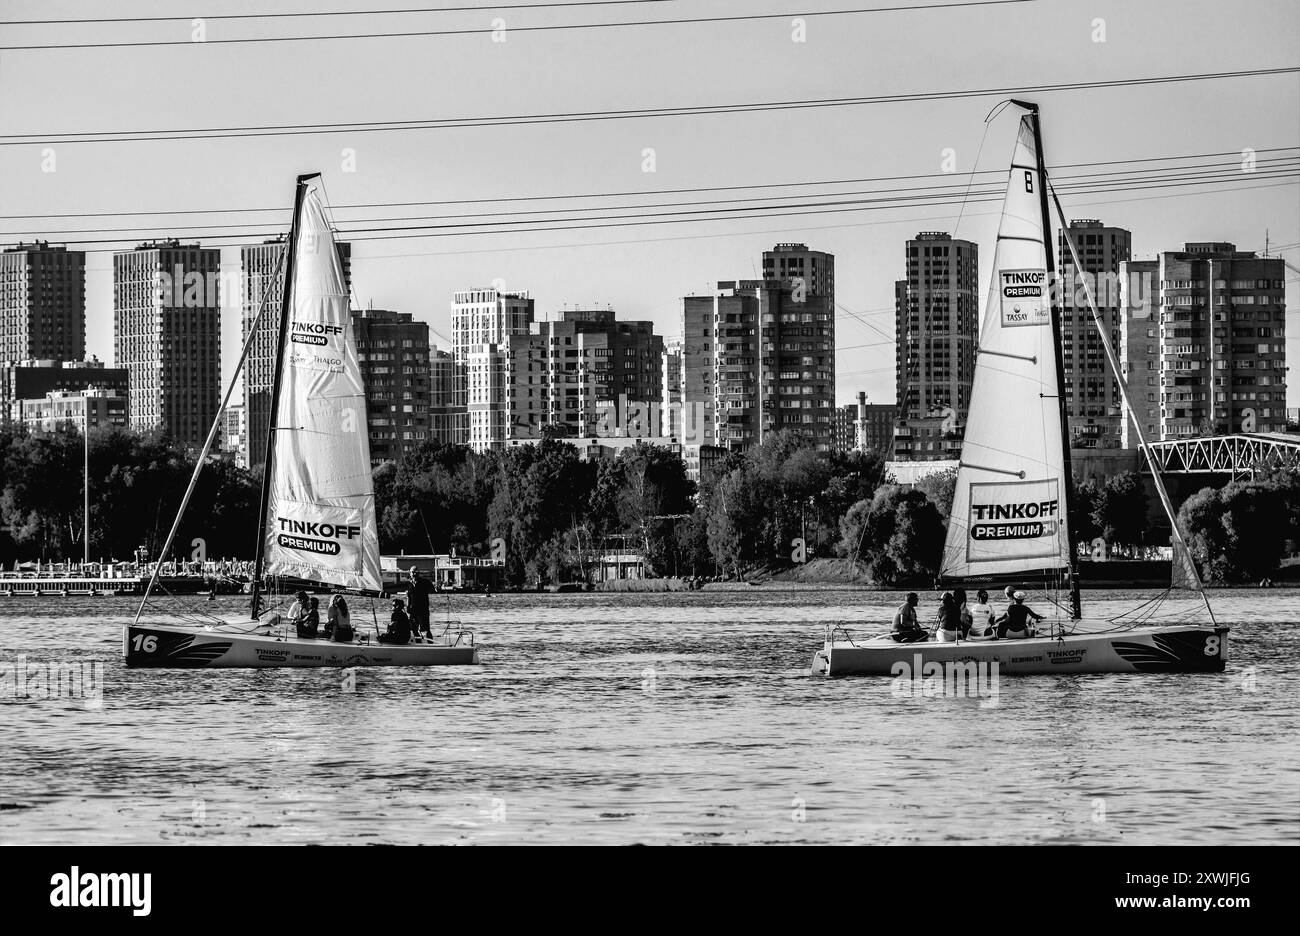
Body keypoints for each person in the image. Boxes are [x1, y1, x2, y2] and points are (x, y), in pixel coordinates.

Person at [406, 568, 433, 638]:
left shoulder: (425, 582)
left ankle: (431, 644)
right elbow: (408, 597)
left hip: (423, 610)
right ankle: (418, 643)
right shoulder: (409, 584)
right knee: (414, 629)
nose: (414, 574)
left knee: (426, 629)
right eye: (413, 572)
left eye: (416, 572)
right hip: (413, 610)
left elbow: (432, 589)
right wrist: (408, 607)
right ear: (410, 573)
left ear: (419, 573)